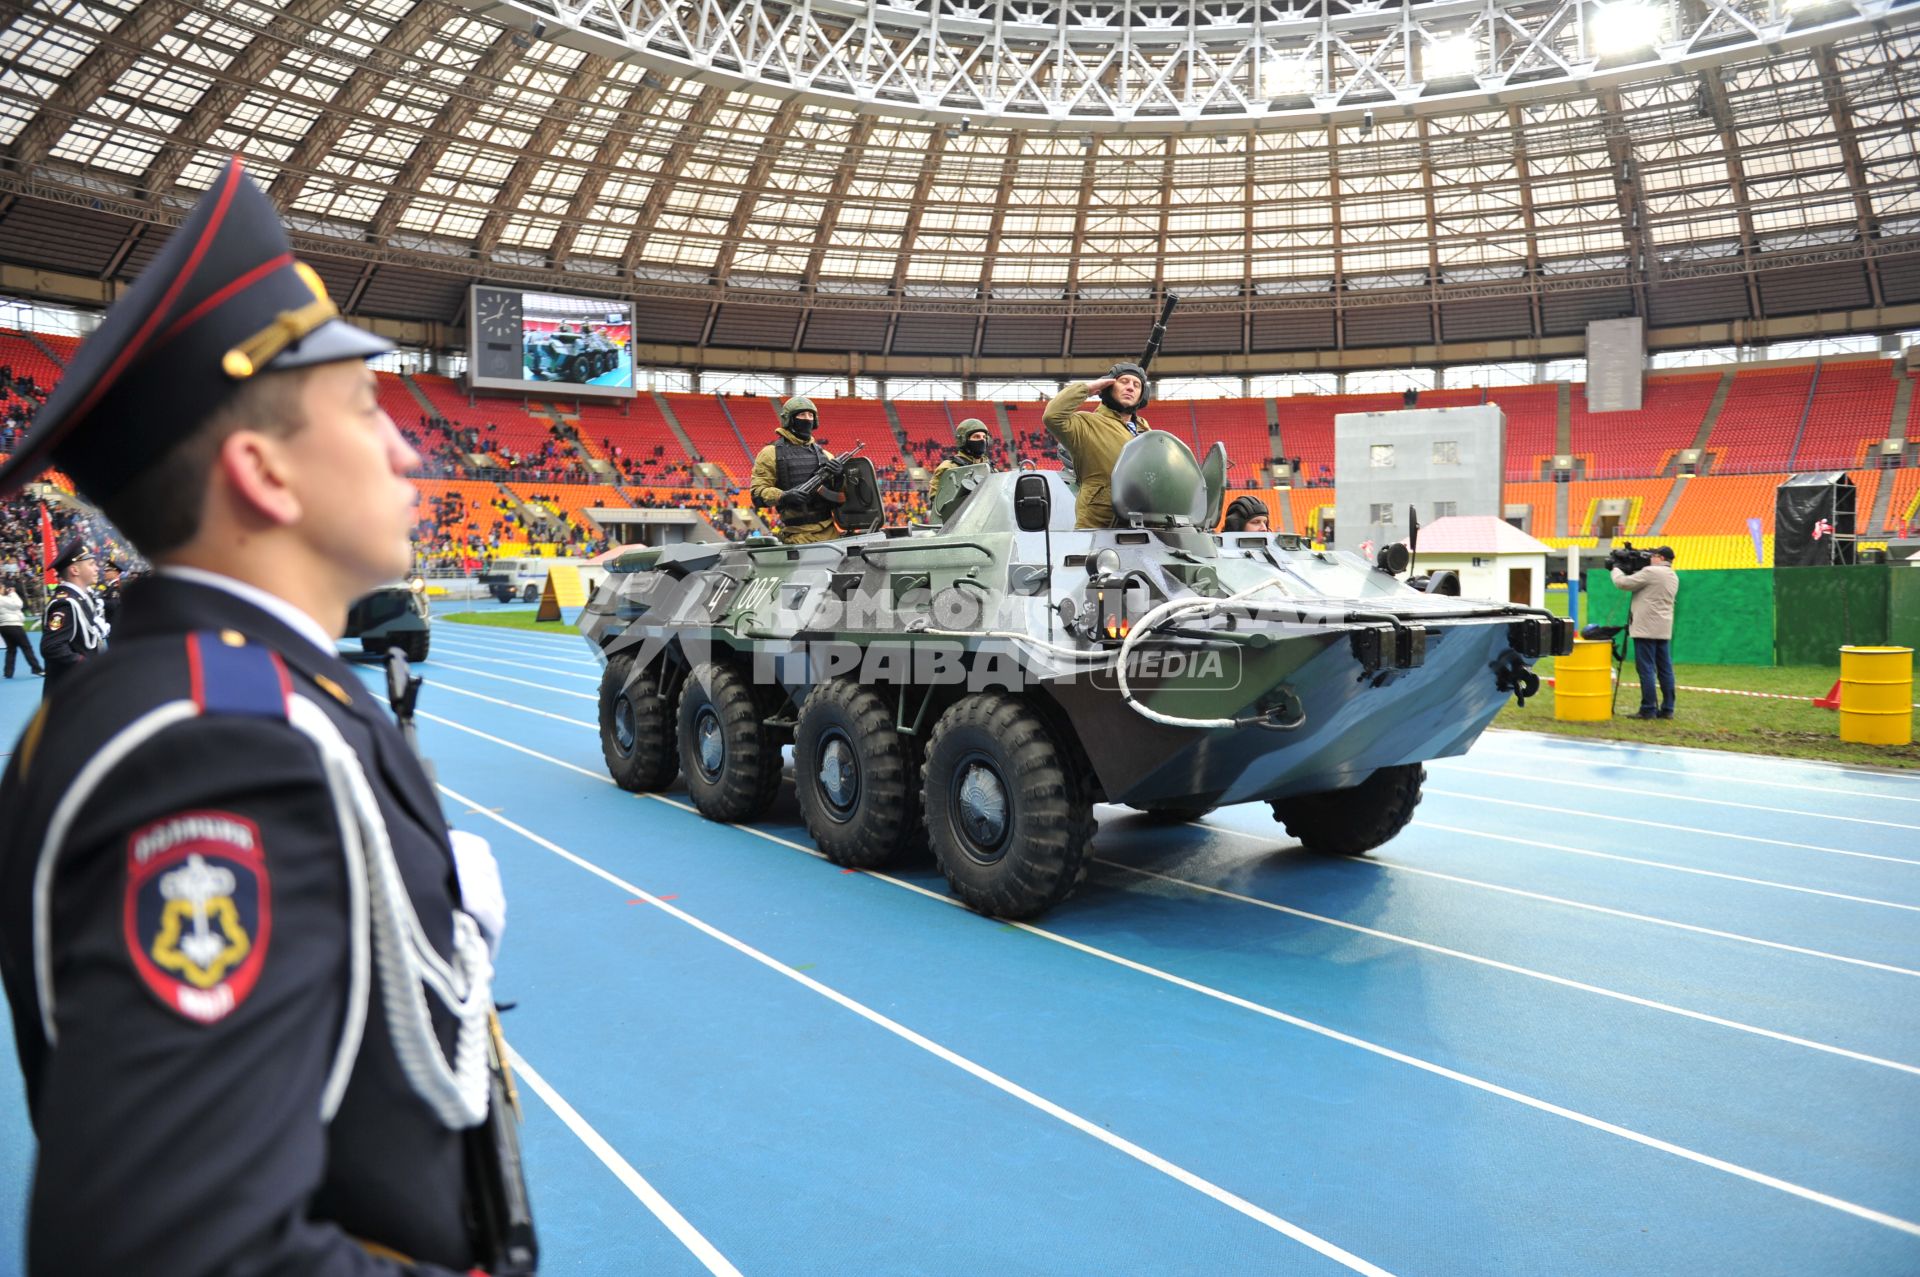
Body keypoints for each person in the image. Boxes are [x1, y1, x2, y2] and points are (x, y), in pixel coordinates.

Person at [0, 159, 531, 1275]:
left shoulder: (232, 691)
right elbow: (182, 1250)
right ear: (264, 473)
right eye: (363, 406)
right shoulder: (218, 753)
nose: (404, 448)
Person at [1041, 362, 1154, 529]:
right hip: (1099, 524)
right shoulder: (1087, 424)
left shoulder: (1147, 433)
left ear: (1142, 395)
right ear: (1108, 385)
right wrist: (1087, 389)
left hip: (1145, 522)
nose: (1130, 387)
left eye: (1136, 385)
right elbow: (1052, 416)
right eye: (1124, 381)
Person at [750, 395, 843, 545]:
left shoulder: (826, 455)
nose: (807, 419)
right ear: (790, 419)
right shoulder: (770, 453)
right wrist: (783, 496)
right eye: (801, 414)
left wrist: (839, 478)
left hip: (831, 536)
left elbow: (841, 499)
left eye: (810, 415)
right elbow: (757, 494)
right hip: (797, 537)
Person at [1612, 544, 1679, 720]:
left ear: (1661, 558)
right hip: (1663, 628)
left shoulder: (1651, 572)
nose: (1650, 558)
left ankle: (1648, 708)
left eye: (1654, 555)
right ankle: (1667, 709)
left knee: (1646, 669)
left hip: (1645, 629)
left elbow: (1622, 583)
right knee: (1665, 669)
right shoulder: (1673, 575)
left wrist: (1616, 569)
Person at [38, 535, 106, 696]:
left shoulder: (80, 598)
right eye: (91, 564)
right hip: (70, 691)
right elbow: (52, 647)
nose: (97, 568)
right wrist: (86, 664)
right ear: (74, 570)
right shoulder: (66, 603)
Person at [929, 417, 997, 489]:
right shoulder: (948, 468)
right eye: (976, 437)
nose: (982, 440)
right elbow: (938, 498)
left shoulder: (990, 468)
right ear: (963, 440)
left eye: (984, 437)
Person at [0, 570, 44, 678]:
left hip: (4, 626)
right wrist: (12, 593)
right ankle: (37, 669)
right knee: (26, 647)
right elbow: (19, 604)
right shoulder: (3, 598)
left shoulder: (4, 599)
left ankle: (8, 672)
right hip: (13, 625)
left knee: (11, 649)